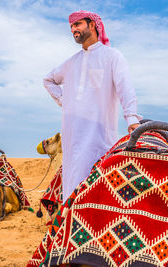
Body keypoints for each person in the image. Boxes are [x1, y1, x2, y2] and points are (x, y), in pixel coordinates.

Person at [43, 10, 141, 201]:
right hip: (72, 135)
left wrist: (131, 117)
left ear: (93, 25)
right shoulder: (71, 62)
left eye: (77, 24)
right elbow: (48, 80)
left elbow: (125, 88)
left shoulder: (112, 56)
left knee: (98, 182)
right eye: (71, 26)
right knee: (72, 180)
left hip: (100, 132)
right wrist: (65, 101)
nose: (73, 29)